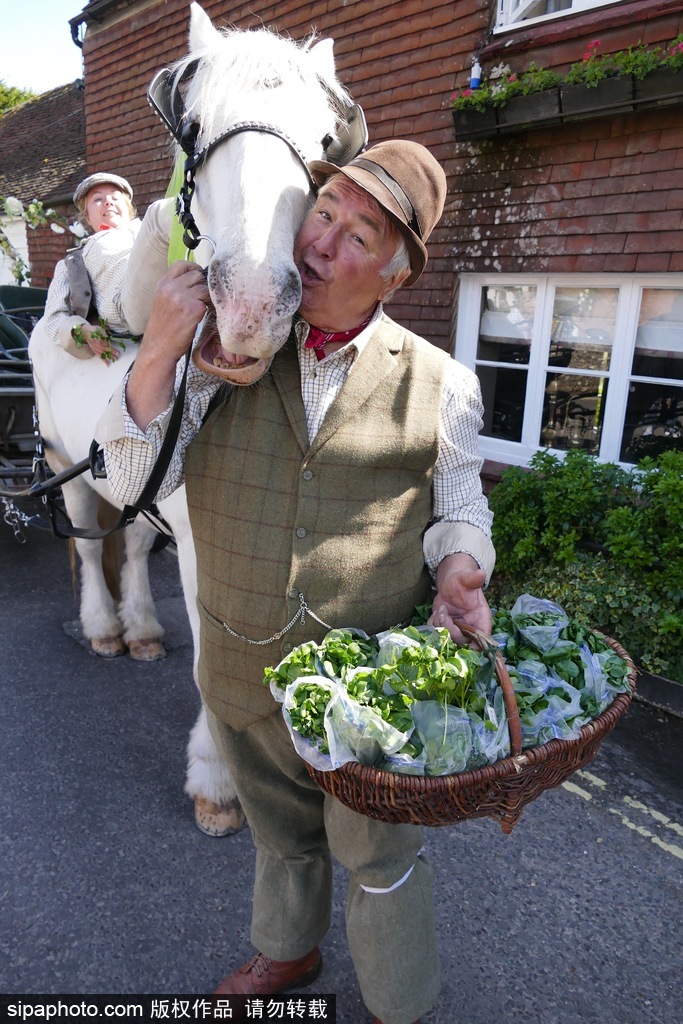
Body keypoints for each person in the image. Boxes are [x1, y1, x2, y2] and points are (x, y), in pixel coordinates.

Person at [98, 140, 495, 1024]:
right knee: (279, 836)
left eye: (359, 235)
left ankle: (401, 1003)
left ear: (395, 276)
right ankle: (288, 951)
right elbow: (127, 486)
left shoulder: (444, 384)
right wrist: (159, 352)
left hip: (364, 690)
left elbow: (459, 500)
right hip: (238, 665)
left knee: (379, 856)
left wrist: (462, 563)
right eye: (323, 213)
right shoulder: (225, 346)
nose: (321, 244)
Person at [39, 172, 141, 363]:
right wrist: (83, 331)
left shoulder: (150, 234)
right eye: (98, 199)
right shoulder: (72, 263)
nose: (108, 202)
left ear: (130, 209)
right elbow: (53, 318)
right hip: (126, 320)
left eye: (115, 197)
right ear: (86, 217)